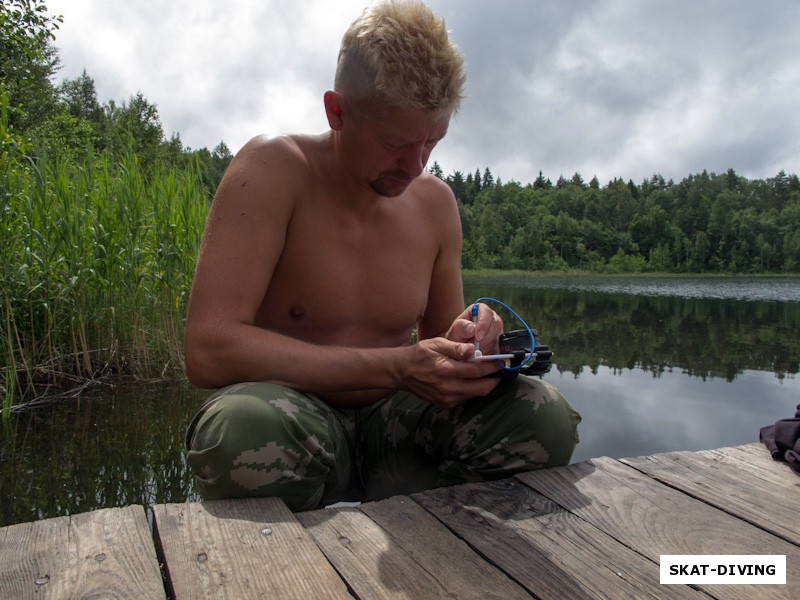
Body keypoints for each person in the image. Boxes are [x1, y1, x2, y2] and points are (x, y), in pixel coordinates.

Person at [184, 0, 580, 511]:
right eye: (396, 143)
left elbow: (438, 349)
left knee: (541, 417)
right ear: (337, 111)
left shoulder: (436, 203)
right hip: (296, 421)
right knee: (238, 430)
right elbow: (208, 350)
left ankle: (441, 543)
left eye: (431, 142)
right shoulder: (272, 170)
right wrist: (396, 366)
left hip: (397, 432)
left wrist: (472, 339)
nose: (415, 165)